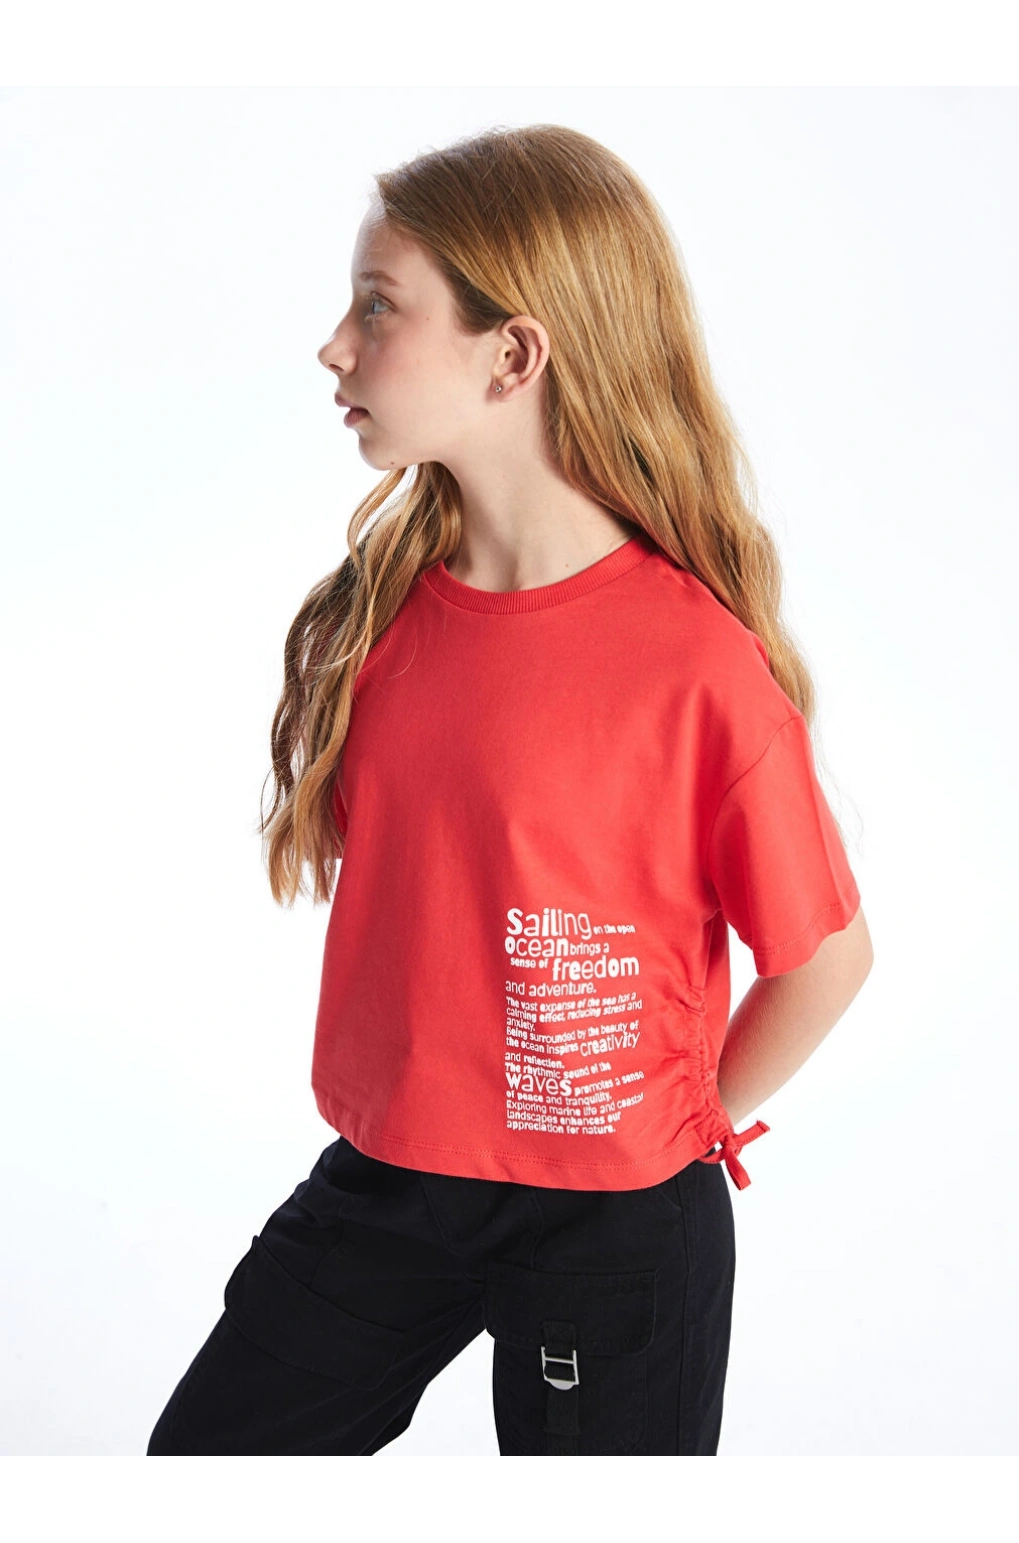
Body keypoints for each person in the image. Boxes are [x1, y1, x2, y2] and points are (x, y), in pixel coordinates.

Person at [146, 122, 873, 1457]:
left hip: (615, 1223)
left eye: (378, 306)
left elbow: (824, 958)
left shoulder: (694, 666)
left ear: (512, 355)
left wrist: (680, 1129)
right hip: (389, 1188)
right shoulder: (382, 623)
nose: (334, 346)